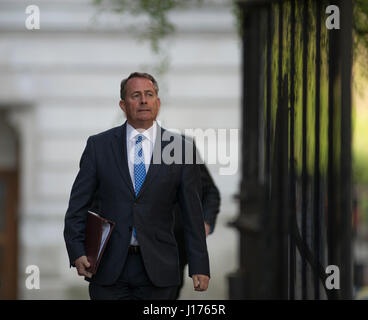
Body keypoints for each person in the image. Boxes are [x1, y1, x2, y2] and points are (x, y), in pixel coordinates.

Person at [63, 72, 210, 300]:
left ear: (157, 102)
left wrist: (199, 264)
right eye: (136, 95)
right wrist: (77, 250)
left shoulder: (181, 149)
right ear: (123, 104)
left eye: (149, 94)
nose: (143, 100)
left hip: (159, 269)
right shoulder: (98, 146)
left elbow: (192, 213)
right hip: (108, 268)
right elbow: (77, 207)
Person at [173, 161, 220, 299]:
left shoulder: (181, 148)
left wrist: (204, 223)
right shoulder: (111, 144)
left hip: (173, 250)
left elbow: (210, 192)